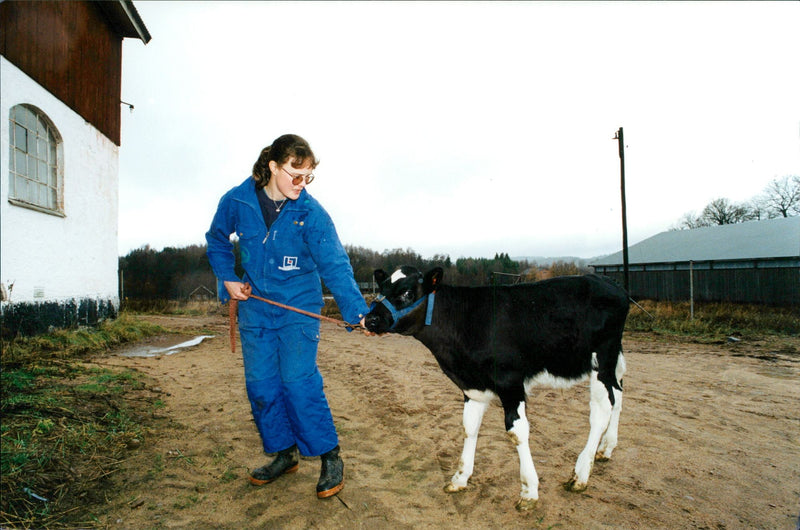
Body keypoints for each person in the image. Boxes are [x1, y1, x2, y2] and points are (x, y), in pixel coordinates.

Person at [205, 134, 370, 499]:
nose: (302, 184)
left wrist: (358, 312)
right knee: (262, 386)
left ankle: (329, 456)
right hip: (255, 308)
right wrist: (229, 279)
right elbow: (216, 239)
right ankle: (284, 454)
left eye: (308, 176)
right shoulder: (237, 200)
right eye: (295, 174)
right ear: (273, 167)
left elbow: (335, 264)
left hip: (298, 307)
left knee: (297, 382)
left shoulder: (311, 213)